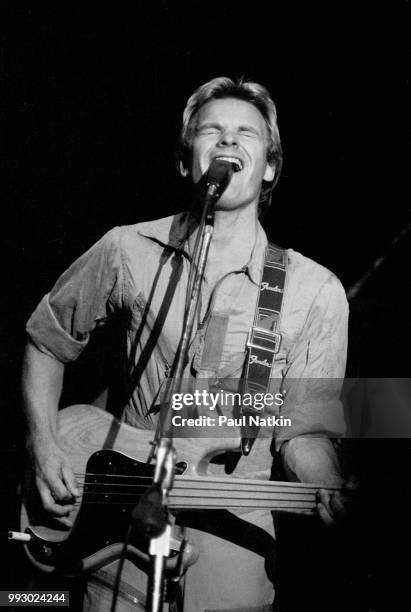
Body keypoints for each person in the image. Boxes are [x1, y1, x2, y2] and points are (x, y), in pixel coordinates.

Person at [22, 77, 349, 611]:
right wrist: (44, 445)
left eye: (247, 133)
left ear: (269, 166)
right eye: (211, 131)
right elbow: (46, 342)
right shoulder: (126, 249)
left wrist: (328, 484)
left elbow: (304, 431)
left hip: (234, 526)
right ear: (184, 160)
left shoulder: (316, 291)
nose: (228, 142)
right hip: (118, 527)